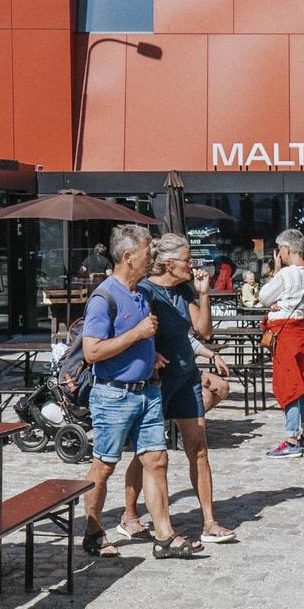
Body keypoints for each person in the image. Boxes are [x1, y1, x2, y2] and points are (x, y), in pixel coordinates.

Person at [78, 224, 198, 560]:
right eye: (148, 252)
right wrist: (137, 335)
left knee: (157, 460)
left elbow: (136, 340)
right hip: (113, 395)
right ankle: (93, 531)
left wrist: (149, 353)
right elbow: (92, 351)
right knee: (105, 465)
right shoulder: (104, 297)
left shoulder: (141, 294)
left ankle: (165, 536)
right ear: (128, 256)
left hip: (148, 391)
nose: (152, 257)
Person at [124, 233, 237, 547]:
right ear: (168, 263)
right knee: (148, 453)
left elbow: (203, 330)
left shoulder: (185, 289)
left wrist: (204, 293)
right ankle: (129, 515)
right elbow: (133, 331)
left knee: (198, 448)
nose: (192, 265)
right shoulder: (145, 291)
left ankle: (209, 522)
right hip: (156, 381)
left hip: (187, 377)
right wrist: (150, 354)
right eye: (187, 260)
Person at [258, 228, 304, 459]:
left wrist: (276, 271)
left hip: (287, 334)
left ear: (286, 249)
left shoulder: (286, 274)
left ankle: (291, 439)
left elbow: (263, 296)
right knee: (303, 384)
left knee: (289, 385)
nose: (279, 254)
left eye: (280, 250)